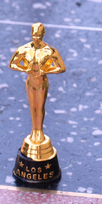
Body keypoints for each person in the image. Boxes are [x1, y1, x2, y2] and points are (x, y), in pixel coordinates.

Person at [9, 23, 66, 152]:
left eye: (39, 36)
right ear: (31, 34)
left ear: (43, 34)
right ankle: (34, 130)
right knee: (32, 106)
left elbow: (61, 68)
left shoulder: (49, 51)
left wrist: (45, 70)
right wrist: (25, 68)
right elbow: (12, 64)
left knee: (40, 107)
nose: (36, 38)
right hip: (31, 82)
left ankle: (39, 130)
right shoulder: (24, 49)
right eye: (34, 35)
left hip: (41, 82)